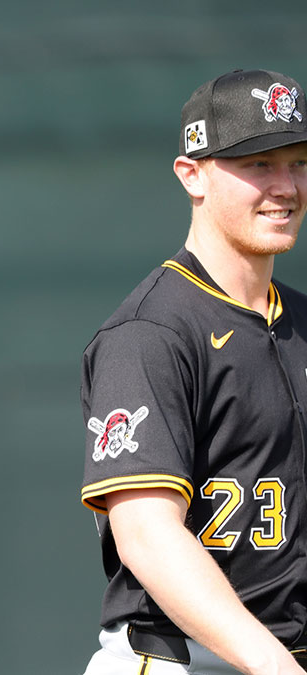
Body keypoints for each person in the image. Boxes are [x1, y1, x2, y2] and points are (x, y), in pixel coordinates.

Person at [80, 68, 307, 675]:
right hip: (183, 661)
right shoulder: (151, 333)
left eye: (297, 161)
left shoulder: (301, 322)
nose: (285, 185)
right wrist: (276, 666)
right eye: (258, 164)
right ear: (192, 174)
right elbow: (148, 536)